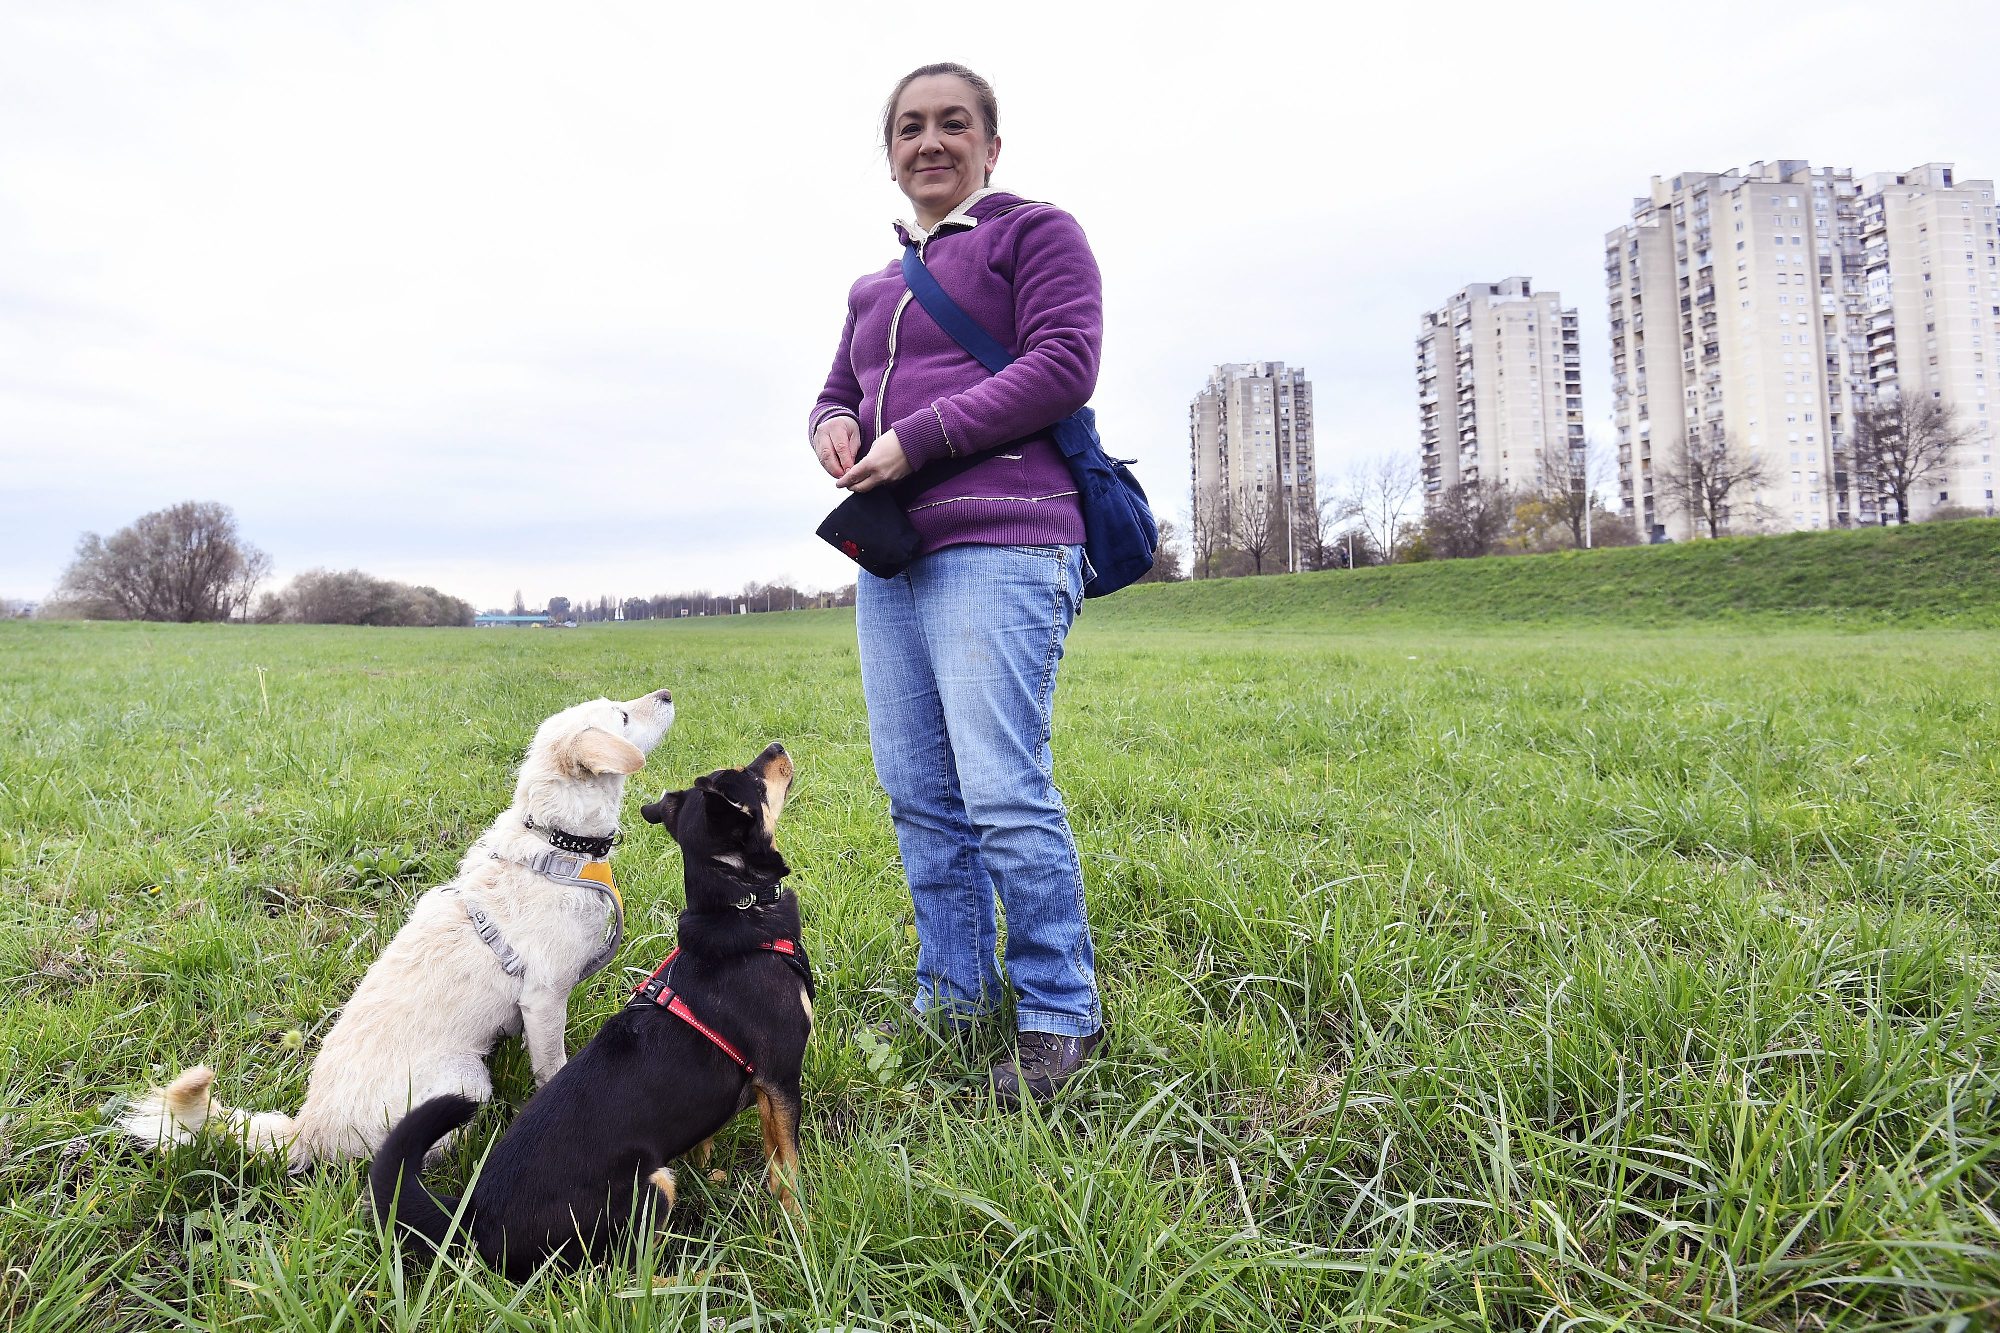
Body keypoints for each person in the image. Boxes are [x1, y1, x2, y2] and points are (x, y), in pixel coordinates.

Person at [807, 62, 1104, 1105]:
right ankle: (954, 991)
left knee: (1000, 790)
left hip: (1006, 538)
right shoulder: (873, 287)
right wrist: (834, 428)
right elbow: (836, 389)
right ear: (888, 152)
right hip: (894, 554)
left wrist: (916, 437)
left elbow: (1063, 363)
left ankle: (1060, 1012)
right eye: (908, 128)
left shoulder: (1035, 234)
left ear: (989, 144)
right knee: (918, 793)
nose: (928, 142)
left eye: (952, 124)